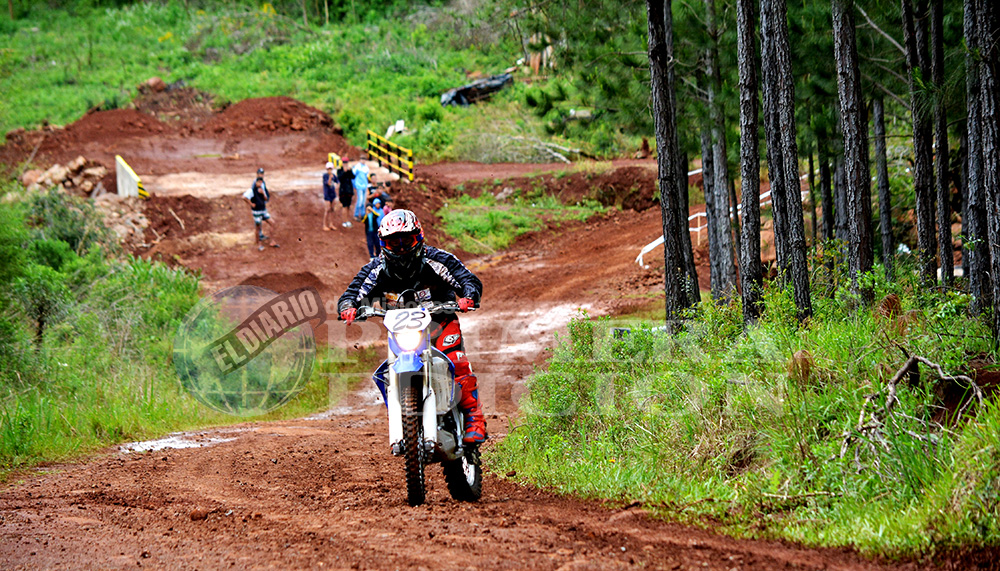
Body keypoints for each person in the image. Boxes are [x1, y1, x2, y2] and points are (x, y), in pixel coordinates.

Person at [338, 209, 486, 444]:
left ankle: (473, 418)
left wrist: (468, 296)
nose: (400, 247)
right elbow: (353, 292)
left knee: (456, 362)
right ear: (383, 244)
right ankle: (402, 418)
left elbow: (468, 279)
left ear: (418, 237)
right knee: (385, 373)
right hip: (401, 332)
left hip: (440, 323)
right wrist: (349, 307)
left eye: (405, 240)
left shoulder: (438, 259)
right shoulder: (375, 269)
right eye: (393, 242)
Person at [243, 176, 278, 251]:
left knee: (272, 223)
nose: (260, 183)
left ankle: (272, 241)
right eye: (258, 182)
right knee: (258, 227)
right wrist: (251, 204)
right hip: (256, 211)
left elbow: (266, 199)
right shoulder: (251, 191)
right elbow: (244, 197)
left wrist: (263, 193)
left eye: (261, 182)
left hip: (263, 210)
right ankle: (259, 244)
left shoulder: (262, 190)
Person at [362, 197, 385, 261]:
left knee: (377, 243)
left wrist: (372, 210)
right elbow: (363, 221)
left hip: (375, 231)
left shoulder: (374, 214)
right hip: (369, 232)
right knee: (370, 243)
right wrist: (367, 214)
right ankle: (371, 255)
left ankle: (378, 255)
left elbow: (377, 215)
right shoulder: (365, 215)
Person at [337, 157, 355, 228]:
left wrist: (350, 171)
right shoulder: (340, 170)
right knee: (344, 206)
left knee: (348, 206)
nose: (345, 164)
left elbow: (353, 177)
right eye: (344, 162)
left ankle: (347, 220)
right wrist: (344, 172)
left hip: (349, 190)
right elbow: (340, 178)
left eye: (346, 162)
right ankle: (344, 220)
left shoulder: (349, 170)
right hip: (343, 191)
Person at [322, 161, 340, 231]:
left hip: (333, 194)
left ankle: (331, 224)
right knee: (327, 209)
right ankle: (324, 224)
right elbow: (328, 183)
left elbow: (337, 181)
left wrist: (337, 186)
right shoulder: (325, 176)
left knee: (332, 209)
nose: (330, 170)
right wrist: (330, 178)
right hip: (327, 194)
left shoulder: (333, 176)